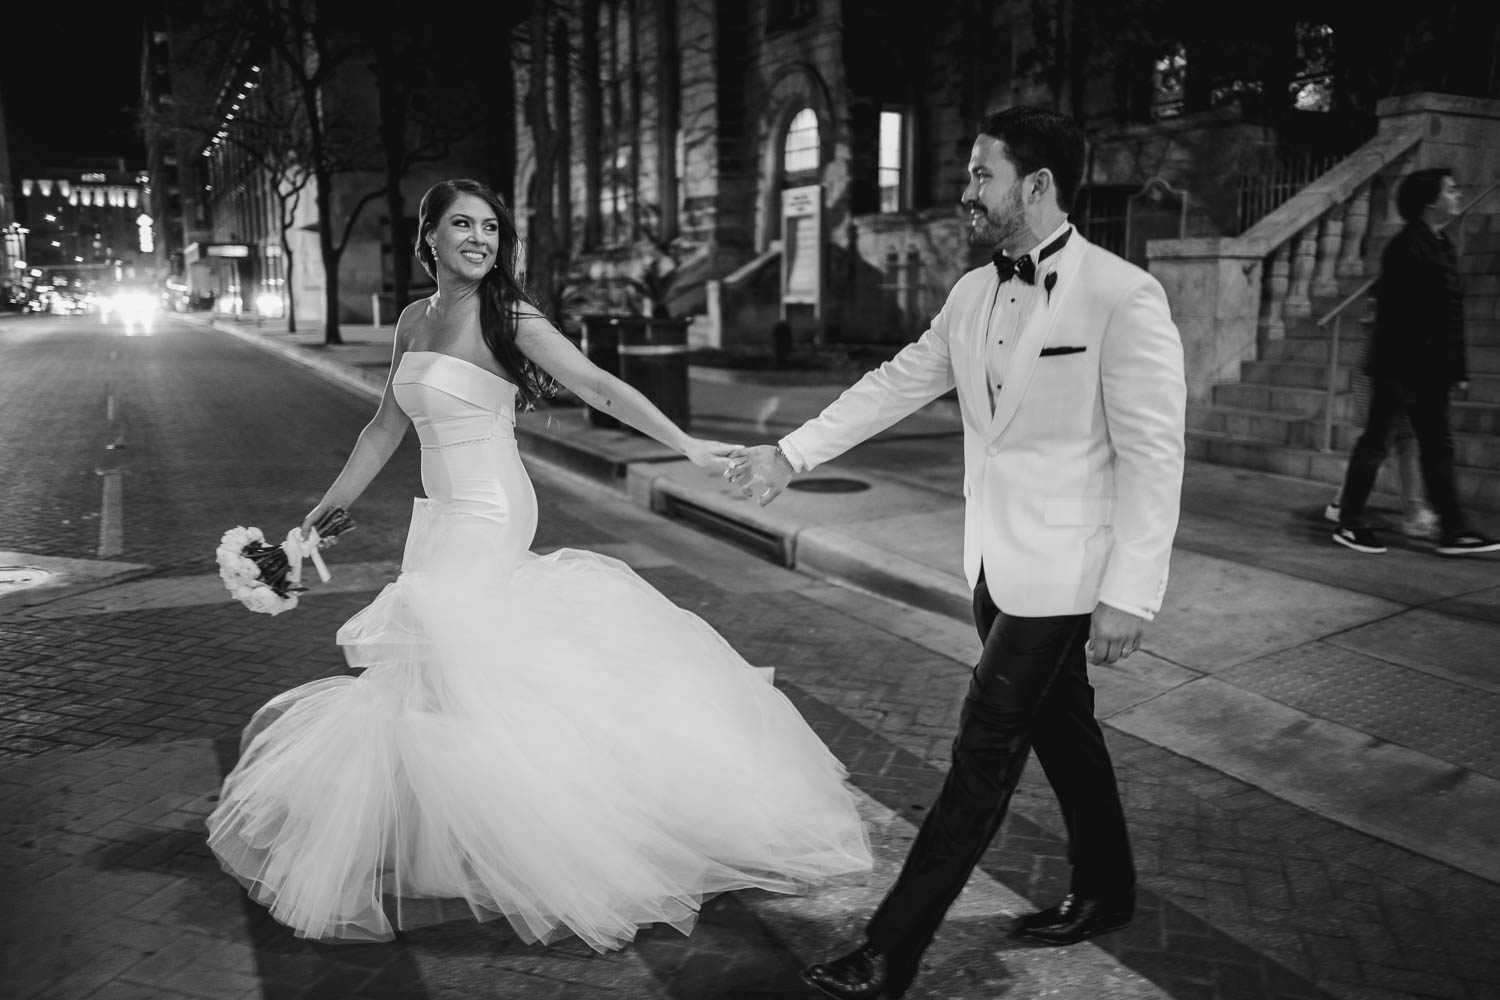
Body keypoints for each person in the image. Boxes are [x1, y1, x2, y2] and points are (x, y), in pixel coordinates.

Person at [206, 179, 872, 951]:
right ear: (429, 239)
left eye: (491, 227)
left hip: (489, 510)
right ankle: (465, 832)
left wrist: (685, 445)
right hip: (439, 517)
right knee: (445, 674)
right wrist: (319, 514)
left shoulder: (509, 315)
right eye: (463, 225)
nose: (481, 239)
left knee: (456, 657)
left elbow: (595, 383)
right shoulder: (415, 319)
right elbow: (386, 426)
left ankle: (557, 830)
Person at [728, 106, 1186, 999]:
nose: (967, 190)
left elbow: (1154, 454)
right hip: (991, 565)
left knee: (980, 754)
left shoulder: (1122, 295)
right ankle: (1109, 889)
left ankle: (890, 950)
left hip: (1064, 576)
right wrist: (790, 455)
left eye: (982, 174)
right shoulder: (974, 293)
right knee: (1067, 736)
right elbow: (895, 382)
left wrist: (1132, 589)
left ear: (1038, 185)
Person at [1331, 168, 1500, 556]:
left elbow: (1449, 317)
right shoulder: (1407, 247)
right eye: (1451, 190)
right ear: (1430, 201)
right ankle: (1351, 521)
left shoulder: (1440, 243)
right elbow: (1397, 318)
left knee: (1436, 447)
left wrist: (1455, 371)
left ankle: (1454, 529)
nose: (1458, 195)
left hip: (1430, 371)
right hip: (1402, 370)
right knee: (1377, 443)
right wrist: (1408, 373)